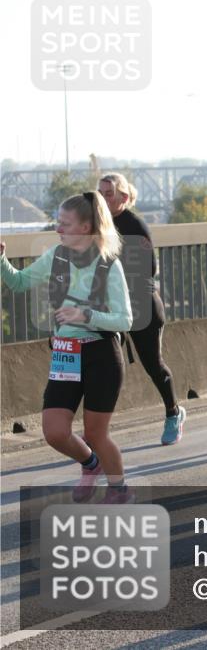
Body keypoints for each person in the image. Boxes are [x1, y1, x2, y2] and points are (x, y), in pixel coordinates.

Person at [1, 193, 134, 503]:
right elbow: (19, 283)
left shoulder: (109, 264)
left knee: (96, 434)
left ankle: (119, 490)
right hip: (66, 353)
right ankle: (90, 464)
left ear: (86, 227)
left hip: (101, 355)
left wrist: (85, 315)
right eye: (58, 222)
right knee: (55, 432)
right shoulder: (55, 256)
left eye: (65, 224)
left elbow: (125, 320)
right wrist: (1, 260)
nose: (58, 229)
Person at [98, 174, 186, 446]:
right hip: (111, 307)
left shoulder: (134, 224)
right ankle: (96, 432)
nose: (102, 198)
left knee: (153, 365)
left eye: (109, 194)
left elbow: (150, 268)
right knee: (103, 366)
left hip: (141, 305)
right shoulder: (98, 224)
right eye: (99, 193)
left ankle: (173, 412)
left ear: (124, 198)